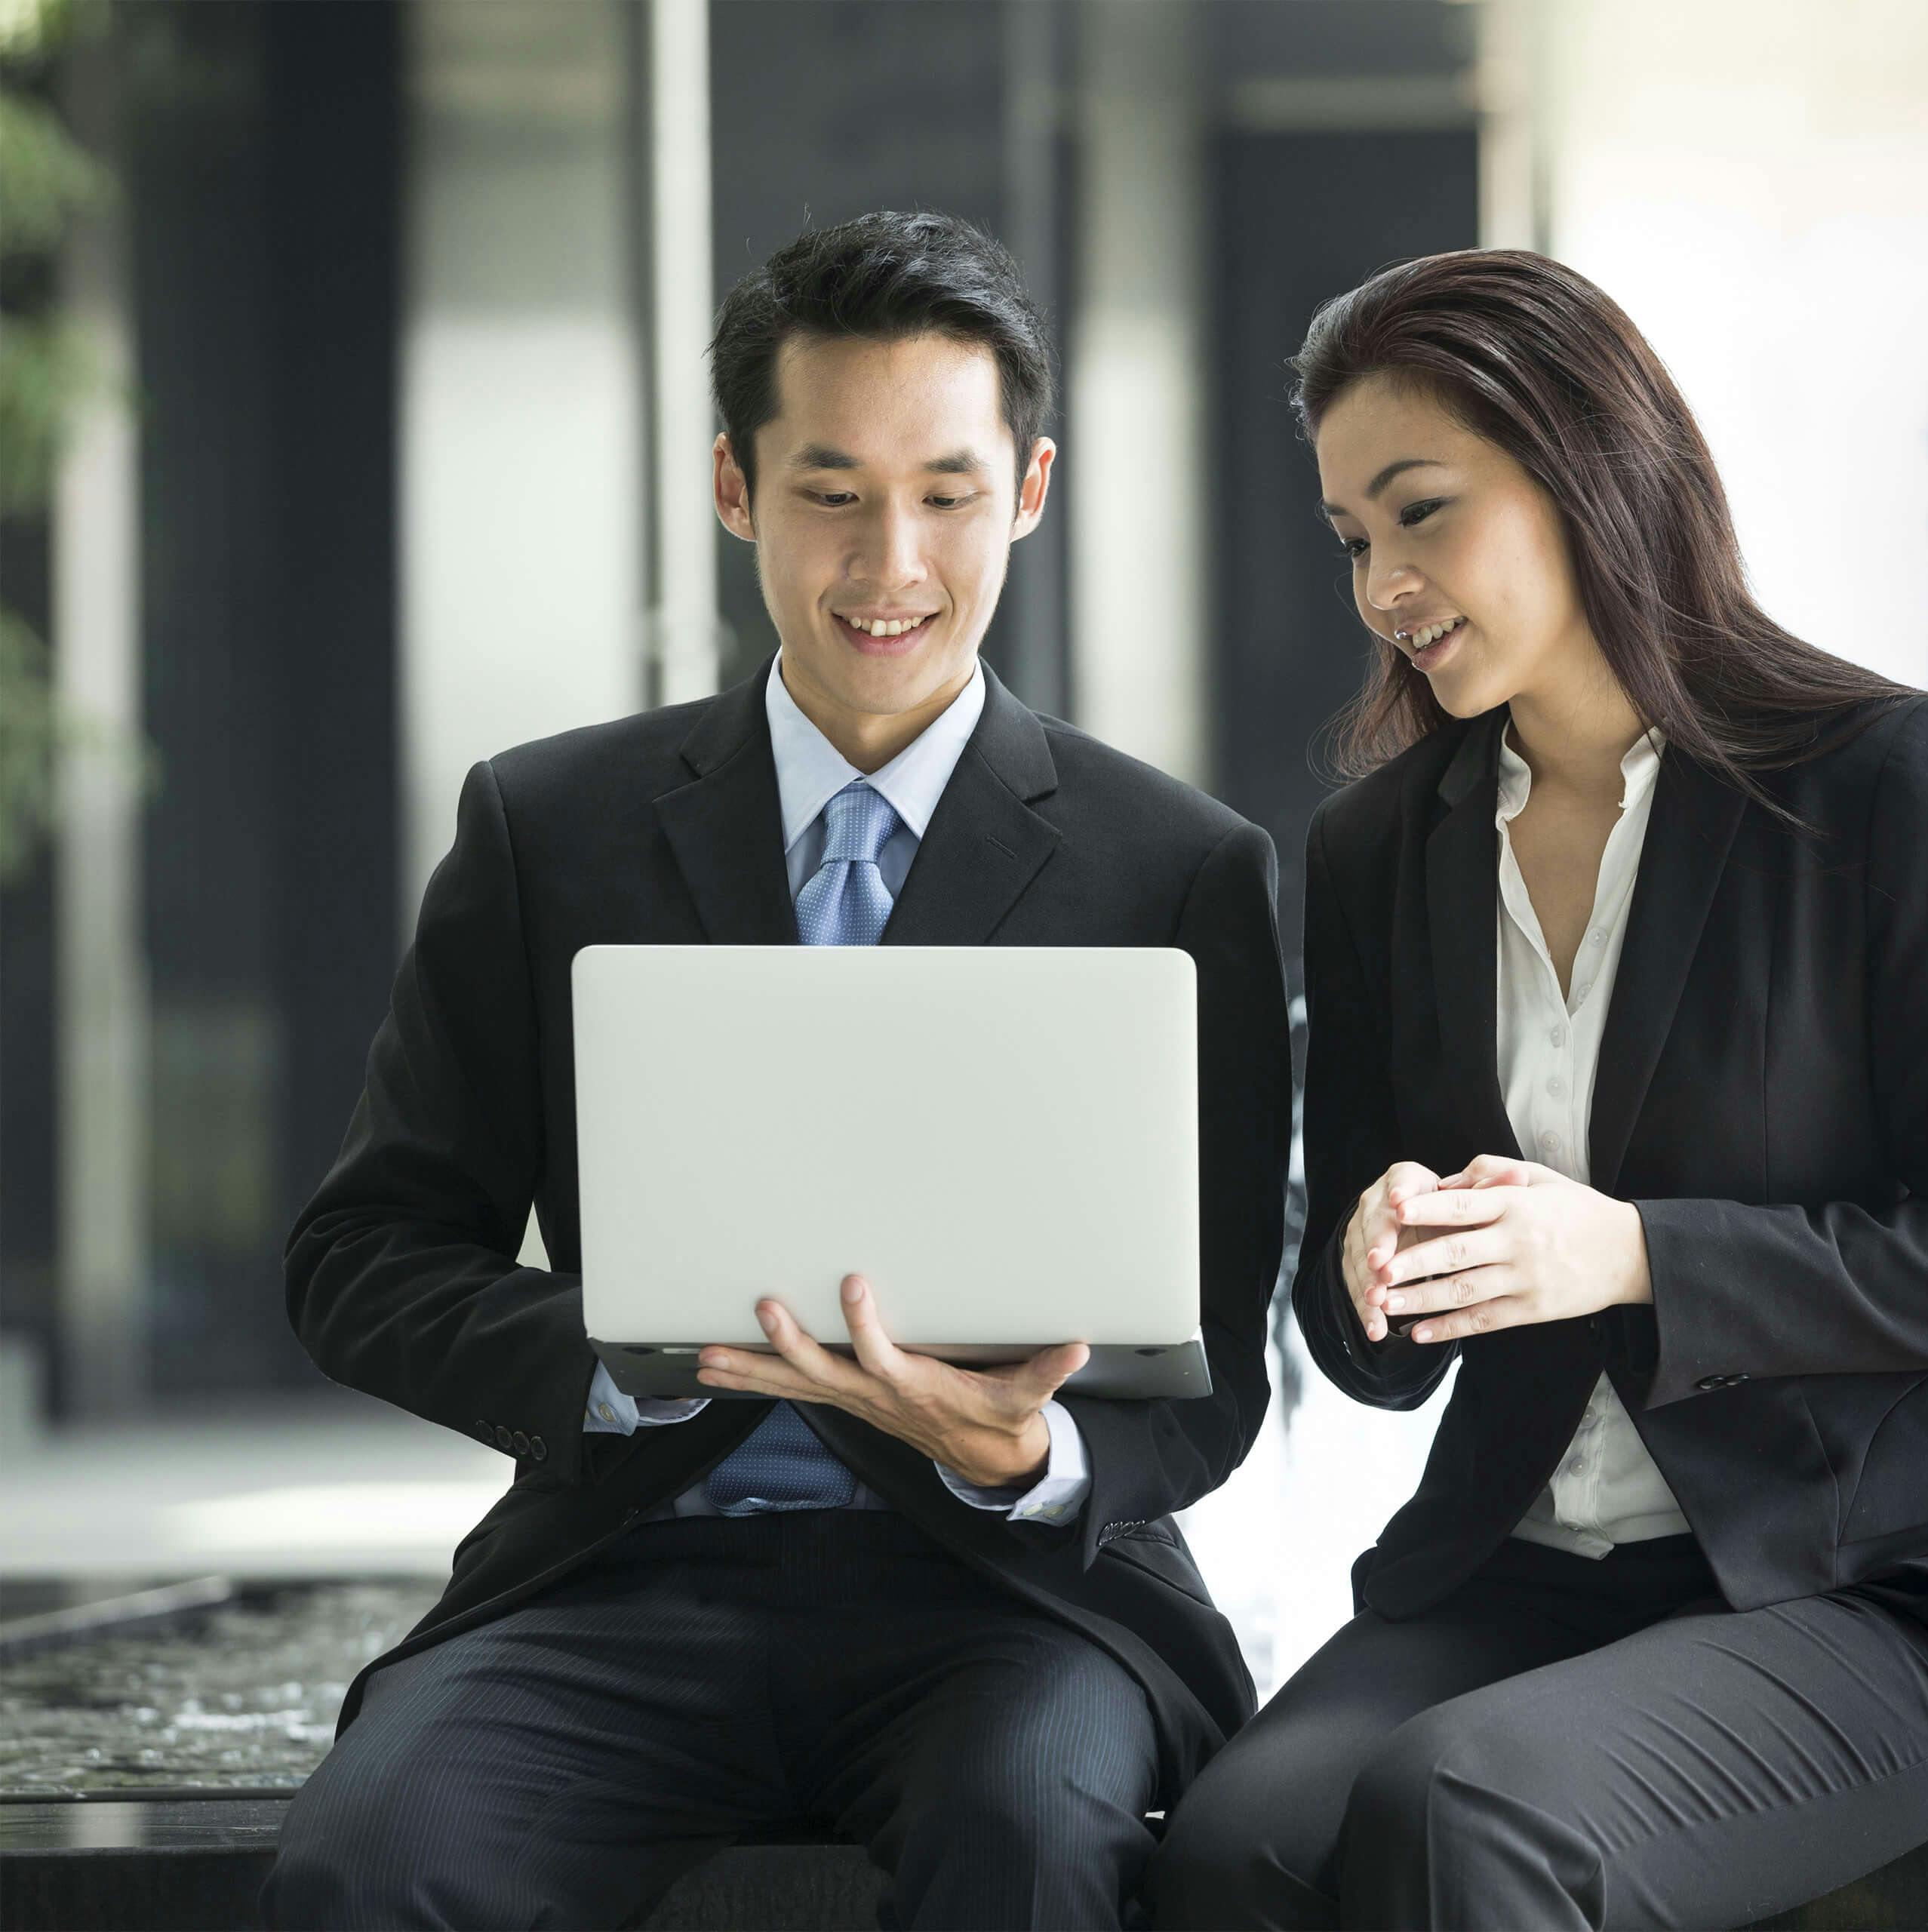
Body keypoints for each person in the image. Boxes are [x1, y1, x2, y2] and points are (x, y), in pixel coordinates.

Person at [263, 211, 1290, 1932]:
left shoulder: (1179, 868)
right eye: (831, 491)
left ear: (1030, 490)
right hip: (621, 1575)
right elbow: (359, 1258)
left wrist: (1025, 1449)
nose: (892, 560)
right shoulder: (549, 828)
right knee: (364, 1862)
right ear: (735, 487)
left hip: (1011, 1599)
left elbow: (1221, 1354)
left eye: (949, 493)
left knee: (1030, 1842)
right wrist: (623, 1367)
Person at [1148, 250, 1928, 1931]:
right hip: (1502, 1576)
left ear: (1584, 462)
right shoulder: (1378, 849)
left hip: (1843, 1592)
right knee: (1228, 1854)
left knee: (1462, 1810)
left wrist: (1637, 1252)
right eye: (1355, 537)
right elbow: (1359, 1362)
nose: (1381, 586)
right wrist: (1375, 1262)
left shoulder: (1880, 785)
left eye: (1423, 513)